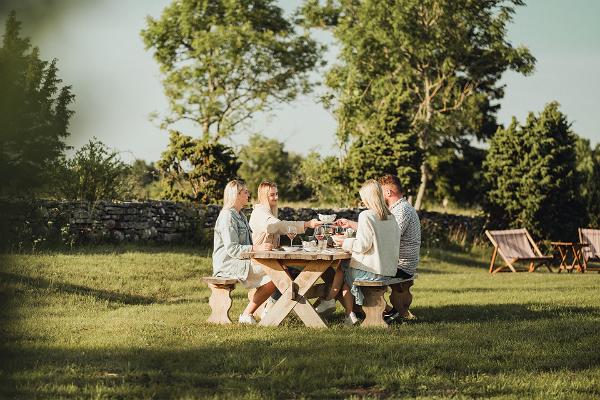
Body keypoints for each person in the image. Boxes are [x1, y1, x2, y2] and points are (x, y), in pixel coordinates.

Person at [330, 179, 401, 325]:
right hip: (387, 271)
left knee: (342, 271)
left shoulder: (366, 215)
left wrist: (344, 242)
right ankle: (343, 310)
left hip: (373, 272)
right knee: (344, 270)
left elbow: (363, 246)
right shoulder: (391, 217)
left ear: (367, 197)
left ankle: (339, 308)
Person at [249, 180, 323, 316]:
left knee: (299, 273)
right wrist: (306, 224)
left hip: (270, 259)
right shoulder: (260, 213)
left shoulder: (270, 212)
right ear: (263, 196)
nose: (276, 197)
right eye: (272, 195)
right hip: (259, 261)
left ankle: (279, 305)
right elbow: (277, 226)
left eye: (277, 194)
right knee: (286, 274)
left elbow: (279, 226)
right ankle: (296, 308)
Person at [212, 180, 275, 325]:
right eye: (245, 192)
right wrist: (258, 249)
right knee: (275, 273)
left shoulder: (241, 216)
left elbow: (247, 245)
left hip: (241, 261)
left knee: (277, 272)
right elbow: (233, 249)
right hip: (227, 265)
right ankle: (248, 314)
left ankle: (264, 309)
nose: (248, 194)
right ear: (236, 195)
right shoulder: (227, 216)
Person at [378, 174, 421, 323]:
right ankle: (395, 312)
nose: (378, 197)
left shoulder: (402, 210)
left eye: (380, 192)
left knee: (355, 272)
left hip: (401, 265)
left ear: (388, 192)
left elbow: (390, 237)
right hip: (403, 263)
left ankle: (363, 312)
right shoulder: (401, 208)